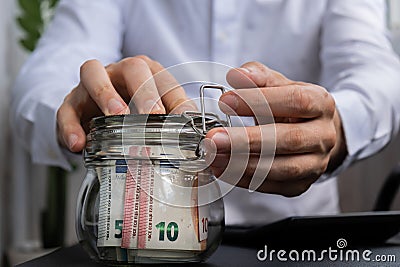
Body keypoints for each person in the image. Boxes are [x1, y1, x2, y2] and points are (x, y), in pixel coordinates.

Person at [11, 0, 400, 226]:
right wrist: (86, 111)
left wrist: (338, 126)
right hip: (146, 238)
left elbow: (377, 75)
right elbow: (45, 78)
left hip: (294, 241)